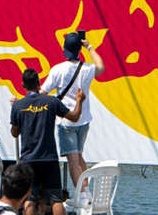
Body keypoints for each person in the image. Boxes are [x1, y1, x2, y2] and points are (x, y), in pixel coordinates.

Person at [11, 68, 84, 215]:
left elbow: (14, 133)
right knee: (56, 199)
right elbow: (75, 117)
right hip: (49, 158)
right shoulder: (52, 101)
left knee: (29, 199)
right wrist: (79, 101)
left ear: (23, 86)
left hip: (28, 159)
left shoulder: (18, 106)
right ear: (39, 84)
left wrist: (18, 118)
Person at [40, 32, 104, 195]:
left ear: (65, 50)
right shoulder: (88, 68)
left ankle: (82, 195)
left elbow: (42, 93)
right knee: (80, 156)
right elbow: (101, 67)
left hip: (66, 120)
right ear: (79, 49)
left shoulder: (58, 69)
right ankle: (87, 191)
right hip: (84, 119)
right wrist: (89, 47)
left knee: (73, 160)